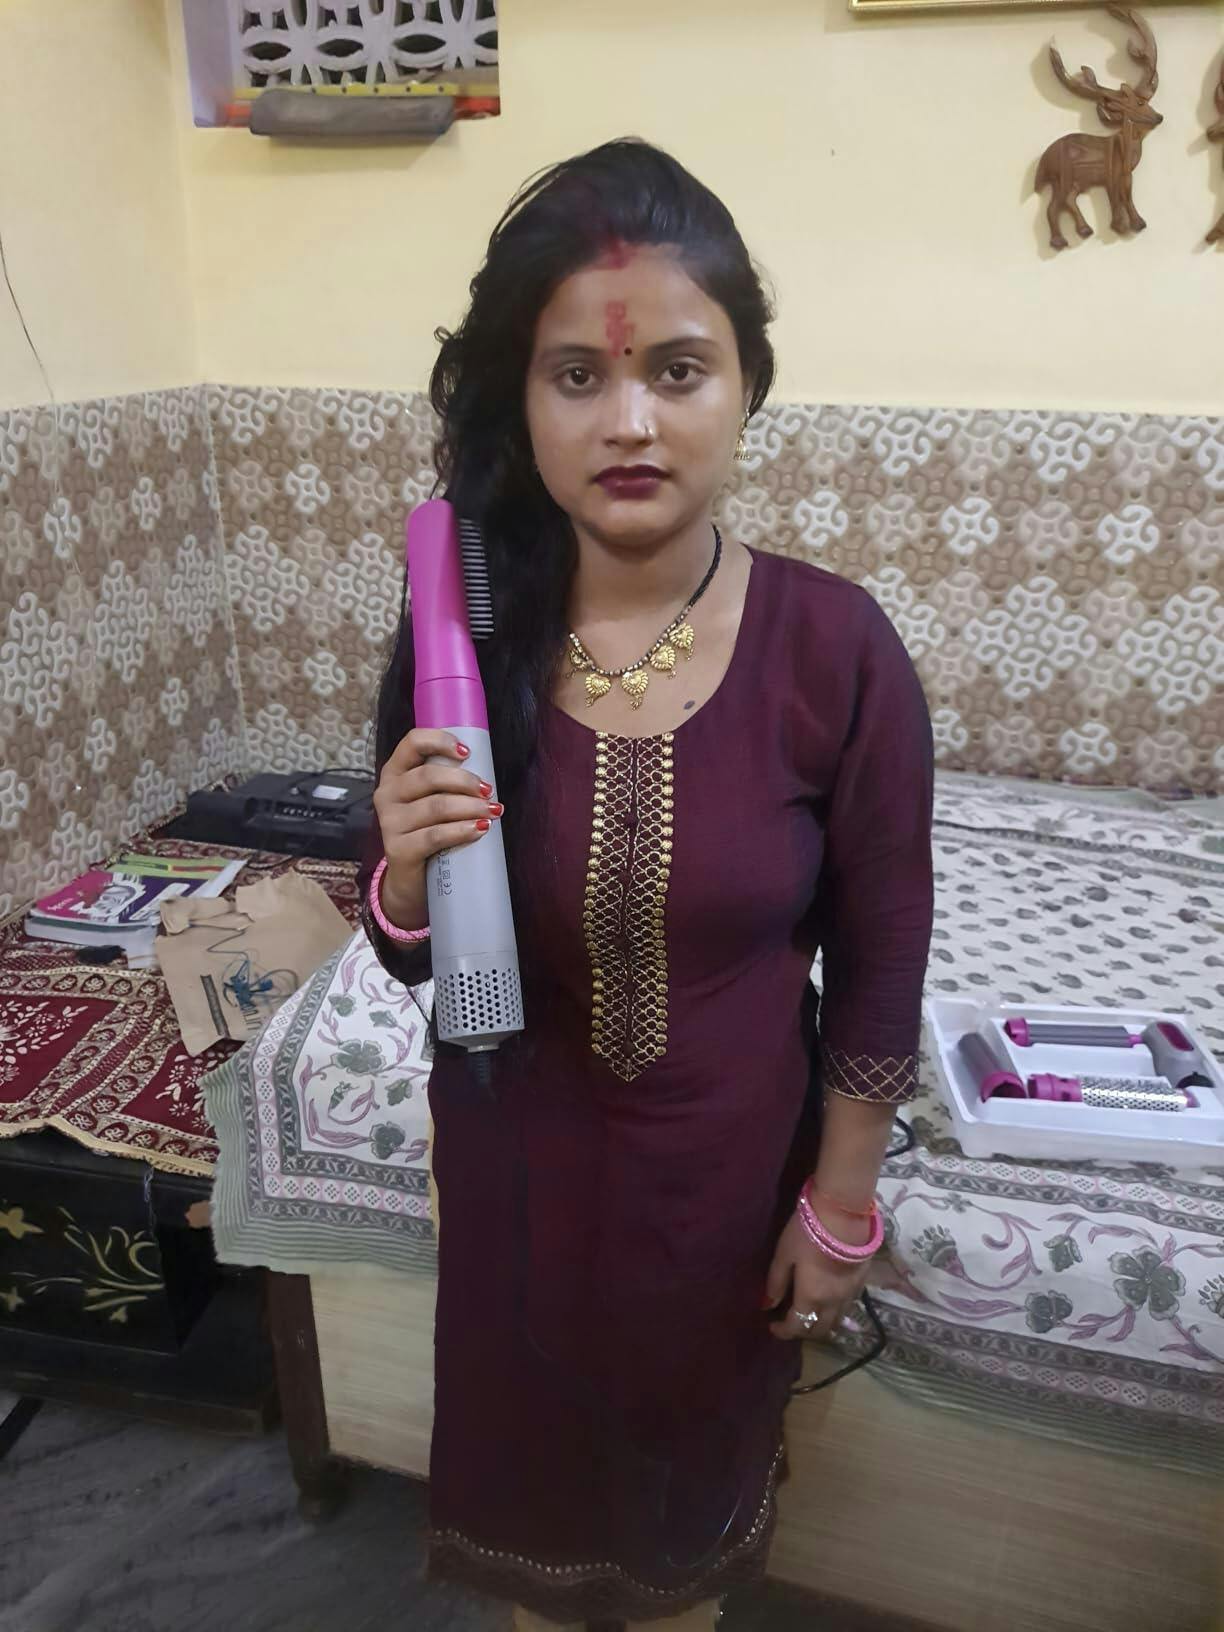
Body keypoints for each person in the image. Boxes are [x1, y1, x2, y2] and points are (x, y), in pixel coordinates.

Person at [361, 139, 934, 1632]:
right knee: (534, 1565)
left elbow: (883, 952)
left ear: (748, 385)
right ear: (521, 399)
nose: (629, 421)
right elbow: (426, 962)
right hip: (515, 1188)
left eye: (678, 371)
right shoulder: (460, 638)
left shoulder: (838, 649)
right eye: (577, 377)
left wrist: (843, 1205)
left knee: (682, 1570)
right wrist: (404, 877)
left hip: (726, 1193)